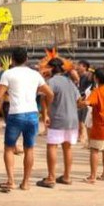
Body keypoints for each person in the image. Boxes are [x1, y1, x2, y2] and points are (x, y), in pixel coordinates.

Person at [0, 47, 54, 192]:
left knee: (9, 148)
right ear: (26, 59)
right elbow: (50, 93)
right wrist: (47, 111)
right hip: (32, 114)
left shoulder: (8, 74)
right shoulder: (35, 74)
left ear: (12, 60)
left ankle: (11, 181)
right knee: (29, 149)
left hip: (16, 114)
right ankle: (25, 183)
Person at [36, 58, 80, 188]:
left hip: (58, 118)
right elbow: (78, 100)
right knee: (67, 147)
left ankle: (51, 177)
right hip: (72, 119)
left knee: (52, 146)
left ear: (51, 68)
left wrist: (45, 115)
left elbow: (44, 98)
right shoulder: (70, 82)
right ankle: (67, 176)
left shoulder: (51, 82)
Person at [75, 60, 93, 143]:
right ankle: (80, 135)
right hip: (80, 98)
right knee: (79, 118)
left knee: (83, 118)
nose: (77, 67)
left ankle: (83, 136)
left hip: (85, 99)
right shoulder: (81, 76)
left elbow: (89, 89)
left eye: (79, 65)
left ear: (85, 67)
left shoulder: (89, 76)